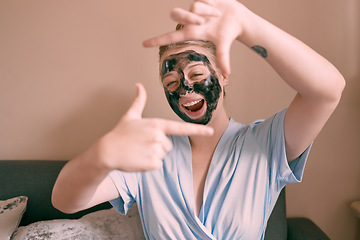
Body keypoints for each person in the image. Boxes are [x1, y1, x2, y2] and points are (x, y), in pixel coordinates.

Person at [52, 0, 345, 239]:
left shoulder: (265, 144)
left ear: (223, 75)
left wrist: (247, 24)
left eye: (197, 74)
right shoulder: (149, 154)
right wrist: (100, 155)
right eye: (170, 81)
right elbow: (65, 202)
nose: (186, 89)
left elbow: (328, 90)